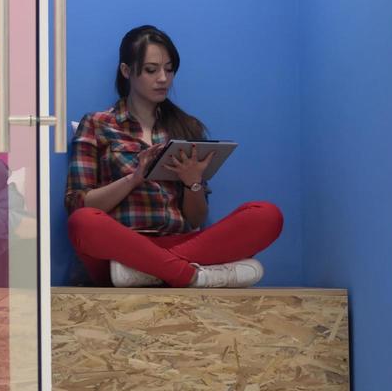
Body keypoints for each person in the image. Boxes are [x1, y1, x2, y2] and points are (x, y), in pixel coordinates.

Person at [65, 25, 282, 288]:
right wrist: (134, 179)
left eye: (169, 69)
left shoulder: (186, 127)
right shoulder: (97, 124)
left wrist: (193, 183)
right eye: (151, 69)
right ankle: (193, 276)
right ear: (126, 71)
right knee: (83, 222)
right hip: (121, 249)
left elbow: (195, 219)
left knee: (267, 215)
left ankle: (154, 271)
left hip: (180, 243)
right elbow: (79, 205)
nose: (163, 78)